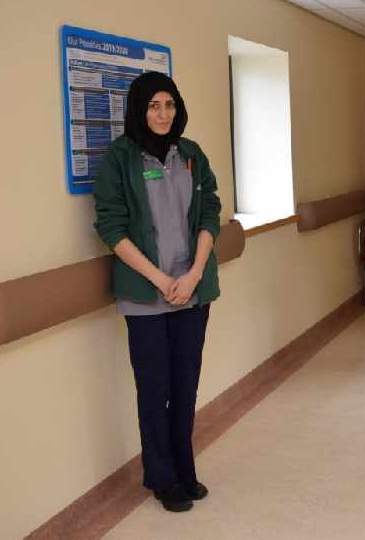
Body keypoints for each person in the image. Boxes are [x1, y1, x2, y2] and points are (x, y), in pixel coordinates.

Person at [93, 71, 222, 511]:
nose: (162, 114)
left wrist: (192, 275)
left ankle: (185, 468)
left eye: (168, 105)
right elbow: (110, 226)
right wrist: (162, 280)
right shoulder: (120, 159)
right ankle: (161, 477)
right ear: (139, 110)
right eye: (153, 106)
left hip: (192, 290)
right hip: (146, 295)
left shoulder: (191, 154)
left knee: (185, 386)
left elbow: (209, 212)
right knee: (154, 388)